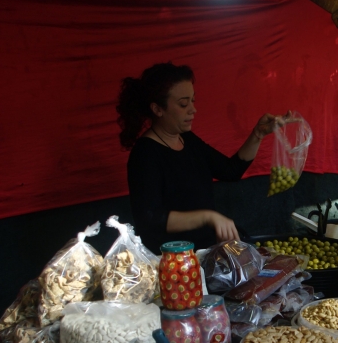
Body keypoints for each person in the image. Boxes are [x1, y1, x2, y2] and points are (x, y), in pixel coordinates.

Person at [118, 62, 283, 253]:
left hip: (206, 251)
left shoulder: (188, 140)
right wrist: (208, 217)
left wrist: (258, 134)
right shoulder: (145, 154)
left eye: (192, 101)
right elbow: (150, 218)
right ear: (157, 109)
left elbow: (230, 170)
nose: (193, 109)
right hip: (175, 260)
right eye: (183, 104)